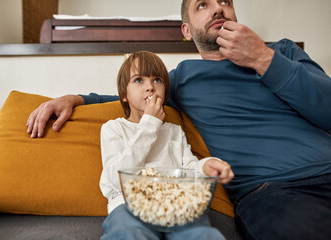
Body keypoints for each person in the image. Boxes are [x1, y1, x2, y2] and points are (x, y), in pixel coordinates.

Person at [26, 0, 331, 239]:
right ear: (187, 31)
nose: (217, 8)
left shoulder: (283, 51)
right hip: (275, 192)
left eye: (224, 0)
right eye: (202, 5)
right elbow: (131, 98)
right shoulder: (184, 79)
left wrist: (262, 58)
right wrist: (74, 99)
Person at [99, 50, 233, 240]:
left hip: (175, 202)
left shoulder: (173, 130)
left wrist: (205, 166)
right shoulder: (114, 128)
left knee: (202, 234)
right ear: (124, 95)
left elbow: (189, 169)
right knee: (126, 233)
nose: (150, 87)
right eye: (139, 80)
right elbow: (116, 178)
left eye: (157, 80)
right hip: (128, 205)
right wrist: (149, 126)